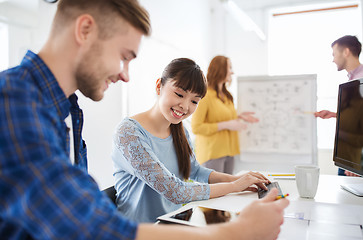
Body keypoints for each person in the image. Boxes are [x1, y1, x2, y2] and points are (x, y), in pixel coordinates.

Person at [0, 0, 288, 239]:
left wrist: (239, 185)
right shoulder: (15, 101)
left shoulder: (67, 111)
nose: (125, 74)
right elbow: (91, 227)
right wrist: (236, 232)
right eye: (124, 56)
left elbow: (74, 210)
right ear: (85, 29)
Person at [112, 58, 271, 223]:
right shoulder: (128, 133)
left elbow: (195, 171)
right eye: (179, 94)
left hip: (174, 224)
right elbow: (175, 191)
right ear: (159, 86)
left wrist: (240, 179)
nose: (185, 106)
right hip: (137, 231)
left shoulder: (179, 131)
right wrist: (234, 187)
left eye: (194, 101)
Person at [191, 55, 258, 174]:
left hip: (229, 152)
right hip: (213, 154)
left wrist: (239, 117)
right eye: (229, 68)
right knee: (217, 191)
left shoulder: (226, 96)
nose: (232, 72)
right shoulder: (205, 96)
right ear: (220, 69)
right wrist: (227, 124)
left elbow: (221, 117)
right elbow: (196, 127)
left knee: (228, 191)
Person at [315, 35, 363, 176]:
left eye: (334, 54)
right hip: (348, 151)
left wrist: (357, 161)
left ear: (346, 52)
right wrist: (335, 114)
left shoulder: (360, 80)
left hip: (355, 154)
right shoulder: (352, 79)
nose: (333, 59)